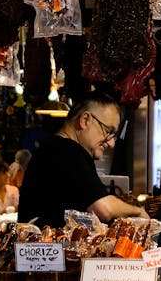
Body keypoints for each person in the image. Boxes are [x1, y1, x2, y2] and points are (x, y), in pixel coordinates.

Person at [16, 91, 150, 228]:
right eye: (108, 131)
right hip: (43, 245)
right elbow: (104, 208)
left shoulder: (55, 148)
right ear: (85, 120)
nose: (111, 143)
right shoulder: (67, 151)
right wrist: (138, 212)